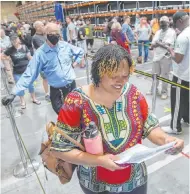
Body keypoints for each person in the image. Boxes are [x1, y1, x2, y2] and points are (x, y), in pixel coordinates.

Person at [50, 44, 184, 194]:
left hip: (135, 180)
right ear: (99, 73)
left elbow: (149, 126)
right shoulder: (76, 101)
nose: (120, 81)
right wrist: (98, 161)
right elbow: (60, 149)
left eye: (125, 75)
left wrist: (166, 141)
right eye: (114, 76)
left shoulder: (133, 94)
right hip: (96, 185)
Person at [2, 23, 84, 114]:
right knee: (63, 116)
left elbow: (80, 52)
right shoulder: (40, 54)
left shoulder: (65, 46)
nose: (55, 36)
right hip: (57, 91)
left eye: (57, 33)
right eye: (52, 33)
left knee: (76, 113)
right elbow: (29, 73)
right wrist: (14, 93)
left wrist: (75, 63)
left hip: (72, 87)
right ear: (46, 34)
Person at [162, 12, 190, 134]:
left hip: (181, 74)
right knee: (185, 98)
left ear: (179, 21)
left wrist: (170, 50)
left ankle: (175, 127)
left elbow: (178, 58)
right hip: (188, 74)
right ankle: (187, 119)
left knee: (177, 99)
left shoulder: (183, 36)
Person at [2, 35, 40, 109]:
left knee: (31, 85)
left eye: (16, 41)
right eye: (13, 42)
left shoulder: (24, 47)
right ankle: (22, 101)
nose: (15, 43)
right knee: (19, 87)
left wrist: (36, 62)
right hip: (17, 71)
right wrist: (8, 59)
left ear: (18, 40)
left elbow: (29, 57)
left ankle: (34, 98)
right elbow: (2, 56)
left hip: (27, 70)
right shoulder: (10, 49)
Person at [147, 16, 176, 99]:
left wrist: (158, 43)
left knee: (165, 75)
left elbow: (167, 45)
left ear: (168, 23)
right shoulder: (158, 32)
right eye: (161, 23)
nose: (162, 24)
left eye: (164, 23)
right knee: (155, 74)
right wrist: (159, 43)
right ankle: (154, 90)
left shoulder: (171, 32)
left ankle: (164, 92)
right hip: (156, 56)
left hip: (165, 56)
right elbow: (152, 45)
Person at [32, 21, 50, 102]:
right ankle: (47, 94)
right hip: (43, 62)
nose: (44, 26)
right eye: (42, 25)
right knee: (45, 78)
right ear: (38, 28)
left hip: (51, 59)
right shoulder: (35, 37)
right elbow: (43, 48)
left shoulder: (46, 34)